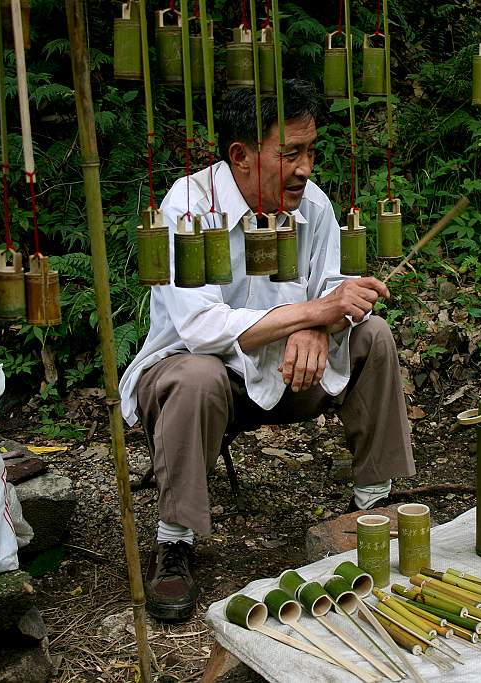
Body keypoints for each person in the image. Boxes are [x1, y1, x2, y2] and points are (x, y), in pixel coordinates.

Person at [118, 79, 415, 622]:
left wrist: (320, 327)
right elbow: (202, 327)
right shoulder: (186, 208)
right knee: (196, 375)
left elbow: (341, 289)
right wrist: (309, 314)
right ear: (241, 156)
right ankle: (175, 541)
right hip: (205, 378)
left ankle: (374, 505)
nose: (304, 167)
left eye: (311, 152)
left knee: (375, 337)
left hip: (291, 374)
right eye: (290, 153)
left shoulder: (315, 205)